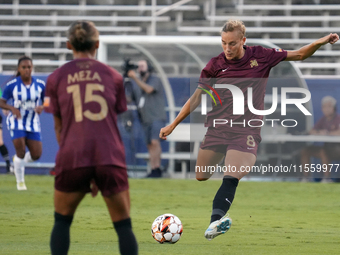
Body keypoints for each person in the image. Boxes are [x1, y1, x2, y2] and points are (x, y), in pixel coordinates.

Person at [159, 19, 339, 240]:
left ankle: (215, 222)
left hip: (246, 130)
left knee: (230, 175)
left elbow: (300, 54)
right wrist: (173, 124)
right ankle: (219, 206)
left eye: (232, 43)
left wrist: (322, 41)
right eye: (224, 43)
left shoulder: (261, 56)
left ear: (243, 40)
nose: (227, 48)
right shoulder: (214, 65)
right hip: (218, 128)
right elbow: (196, 97)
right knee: (201, 175)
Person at [45, 21, 138, 255]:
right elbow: (111, 122)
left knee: (62, 222)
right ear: (97, 44)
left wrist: (75, 160)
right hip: (109, 156)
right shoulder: (114, 77)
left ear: (68, 45)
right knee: (123, 226)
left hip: (73, 154)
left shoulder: (56, 78)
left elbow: (58, 128)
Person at [0, 56, 44, 190]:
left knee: (36, 155)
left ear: (32, 68)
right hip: (16, 122)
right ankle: (20, 183)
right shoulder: (12, 85)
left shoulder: (40, 85)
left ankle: (18, 162)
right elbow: (1, 102)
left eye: (29, 67)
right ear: (19, 69)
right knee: (21, 152)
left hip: (33, 122)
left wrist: (43, 107)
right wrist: (12, 108)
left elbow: (48, 99)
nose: (26, 70)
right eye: (23, 67)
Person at [127, 60, 166, 178]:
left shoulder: (155, 79)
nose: (140, 68)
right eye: (138, 67)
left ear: (148, 67)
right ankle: (153, 169)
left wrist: (135, 79)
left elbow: (148, 89)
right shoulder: (136, 84)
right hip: (145, 119)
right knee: (149, 144)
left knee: (155, 142)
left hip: (157, 117)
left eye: (142, 66)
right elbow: (128, 99)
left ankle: (157, 168)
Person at [300, 96, 340, 182]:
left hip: (337, 149)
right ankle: (306, 177)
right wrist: (319, 132)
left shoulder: (338, 119)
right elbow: (312, 131)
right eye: (324, 107)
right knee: (306, 151)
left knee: (323, 151)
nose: (327, 109)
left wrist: (328, 133)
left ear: (334, 108)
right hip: (326, 147)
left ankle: (327, 178)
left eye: (329, 106)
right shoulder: (323, 119)